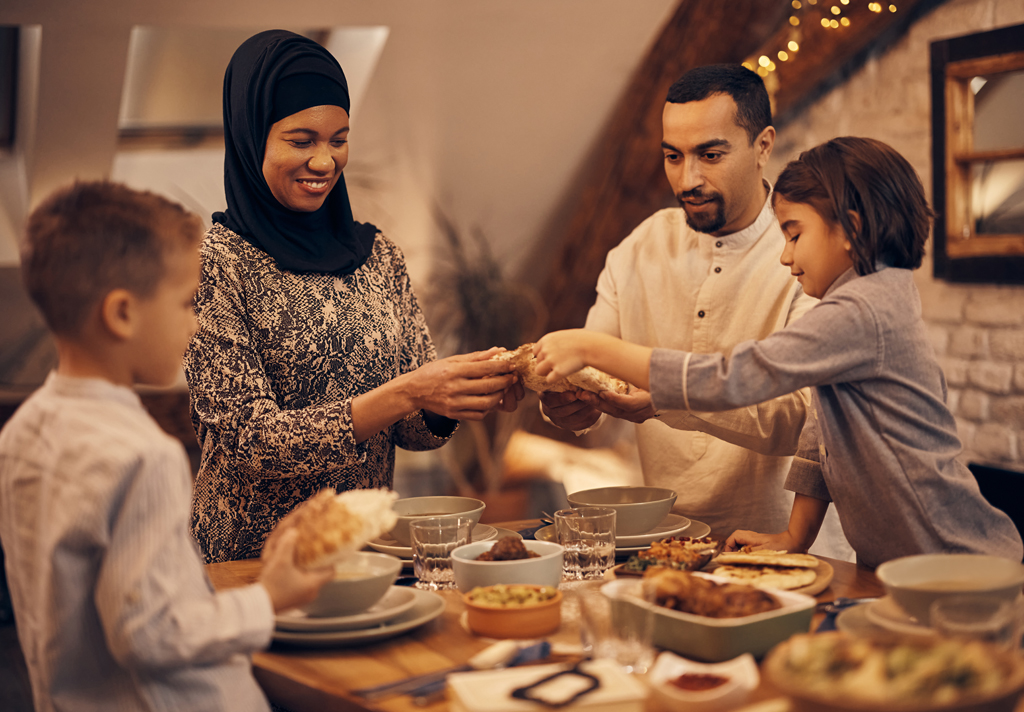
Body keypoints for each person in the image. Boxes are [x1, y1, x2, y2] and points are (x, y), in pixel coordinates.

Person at [532, 137, 1024, 568]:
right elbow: (819, 433)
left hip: (953, 559)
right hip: (896, 564)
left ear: (850, 230)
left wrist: (592, 346)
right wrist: (796, 536)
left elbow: (736, 376)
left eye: (793, 234)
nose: (785, 255)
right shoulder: (862, 301)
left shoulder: (862, 310)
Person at [185, 30, 520, 563]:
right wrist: (409, 392)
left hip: (363, 554)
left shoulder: (378, 255)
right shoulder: (214, 264)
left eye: (338, 139)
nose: (324, 162)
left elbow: (411, 428)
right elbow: (250, 440)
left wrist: (449, 399)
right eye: (301, 140)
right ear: (251, 138)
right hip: (252, 563)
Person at [0, 181, 332, 712]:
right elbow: (152, 634)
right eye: (187, 303)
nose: (196, 322)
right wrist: (271, 597)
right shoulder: (144, 456)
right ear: (122, 314)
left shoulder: (22, 433)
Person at [541, 64, 847, 552]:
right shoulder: (638, 247)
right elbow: (593, 378)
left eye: (710, 154)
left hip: (790, 551)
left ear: (763, 146)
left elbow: (806, 422)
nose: (689, 179)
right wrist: (570, 405)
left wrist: (670, 398)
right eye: (673, 156)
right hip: (664, 544)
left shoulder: (807, 256)